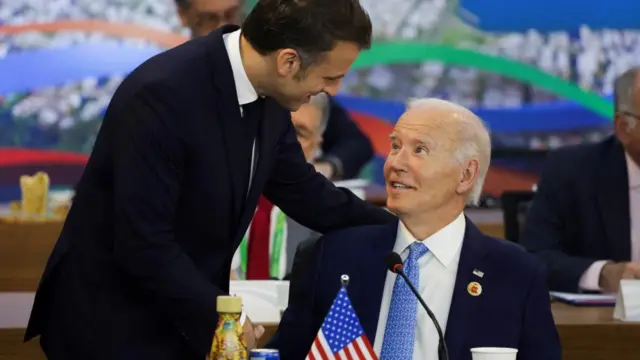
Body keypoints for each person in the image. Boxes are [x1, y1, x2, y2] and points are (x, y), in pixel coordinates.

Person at [24, 1, 395, 359]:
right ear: (288, 61)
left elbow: (305, 192)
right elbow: (143, 242)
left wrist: (404, 228)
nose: (332, 91)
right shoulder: (163, 95)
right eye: (330, 77)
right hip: (111, 324)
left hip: (178, 317)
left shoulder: (270, 93)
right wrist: (222, 317)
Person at [268, 98, 561, 360]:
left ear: (466, 174)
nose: (396, 163)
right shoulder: (333, 255)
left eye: (419, 150)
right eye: (395, 146)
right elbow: (283, 355)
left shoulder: (515, 274)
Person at [174, 0, 375, 180]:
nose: (221, 25)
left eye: (230, 14)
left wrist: (325, 169)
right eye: (208, 18)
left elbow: (354, 145)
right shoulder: (169, 92)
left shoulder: (285, 90)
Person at [521, 67, 640, 293]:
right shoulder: (572, 172)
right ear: (623, 128)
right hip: (603, 324)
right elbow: (534, 258)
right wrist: (603, 274)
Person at [231, 93, 329, 280]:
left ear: (317, 146)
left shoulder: (323, 219)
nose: (286, 142)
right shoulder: (213, 193)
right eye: (281, 128)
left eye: (299, 133)